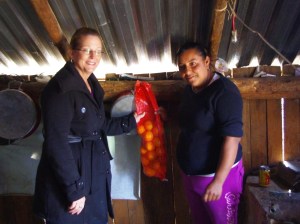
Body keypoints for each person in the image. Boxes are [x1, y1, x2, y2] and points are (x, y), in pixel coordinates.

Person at [33, 27, 144, 224]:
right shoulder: (61, 90)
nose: (94, 56)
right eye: (86, 50)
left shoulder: (91, 84)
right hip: (72, 175)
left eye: (98, 51)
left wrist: (133, 120)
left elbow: (99, 125)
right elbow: (56, 143)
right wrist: (74, 189)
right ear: (72, 53)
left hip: (92, 172)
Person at [175, 42, 244, 224]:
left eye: (193, 63)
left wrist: (219, 181)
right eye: (182, 66)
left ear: (206, 61)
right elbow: (191, 123)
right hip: (192, 175)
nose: (187, 71)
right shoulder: (190, 90)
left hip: (218, 178)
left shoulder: (225, 92)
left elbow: (232, 140)